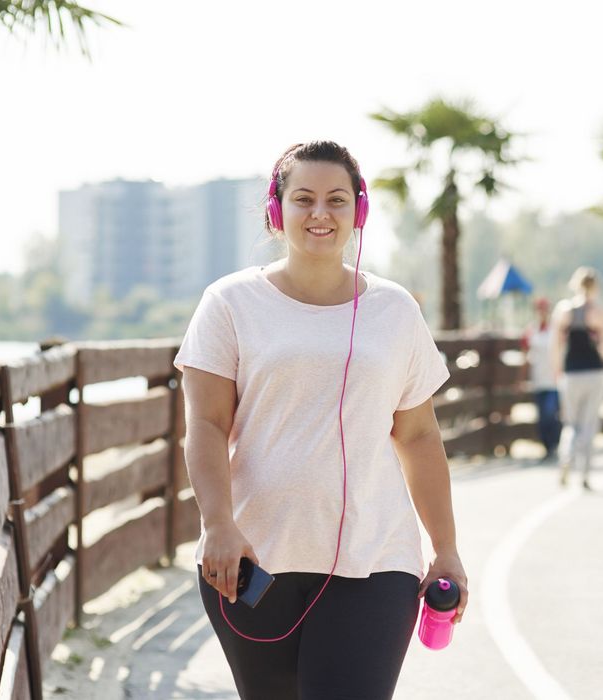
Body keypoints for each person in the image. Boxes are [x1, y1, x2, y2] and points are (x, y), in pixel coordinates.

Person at [173, 141, 468, 700]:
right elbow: (207, 425)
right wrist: (218, 523)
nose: (320, 214)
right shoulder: (229, 302)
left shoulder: (395, 309)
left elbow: (419, 436)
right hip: (252, 561)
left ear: (357, 213)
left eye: (336, 200)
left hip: (378, 562)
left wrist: (445, 546)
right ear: (275, 209)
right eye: (303, 198)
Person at [552, 268, 603, 489]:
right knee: (589, 424)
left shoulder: (564, 310)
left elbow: (556, 346)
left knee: (571, 423)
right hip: (594, 372)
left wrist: (557, 370)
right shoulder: (598, 311)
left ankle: (566, 458)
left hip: (571, 372)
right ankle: (585, 474)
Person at [522, 296, 561, 462]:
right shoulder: (531, 330)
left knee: (551, 412)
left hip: (553, 380)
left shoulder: (556, 330)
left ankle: (554, 444)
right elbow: (525, 356)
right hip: (538, 379)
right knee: (542, 415)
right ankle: (547, 446)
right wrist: (522, 377)